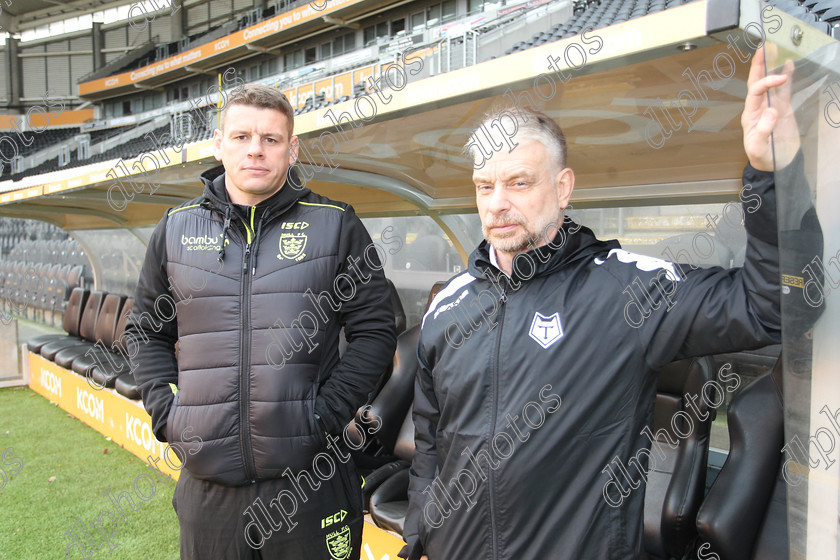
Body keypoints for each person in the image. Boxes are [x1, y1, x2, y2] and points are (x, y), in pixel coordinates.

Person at [401, 48, 798, 560]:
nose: (498, 201)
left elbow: (768, 305)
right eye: (484, 185)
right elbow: (432, 444)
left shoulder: (624, 292)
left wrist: (771, 174)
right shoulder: (448, 306)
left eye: (519, 182)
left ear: (562, 188)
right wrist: (418, 541)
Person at [126, 84, 397, 559]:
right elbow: (145, 330)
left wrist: (324, 415)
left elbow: (375, 329)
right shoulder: (175, 228)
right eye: (242, 136)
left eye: (271, 139)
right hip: (209, 488)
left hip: (310, 482)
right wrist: (171, 415)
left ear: (292, 150)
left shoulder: (335, 224)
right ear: (218, 143)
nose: (256, 149)